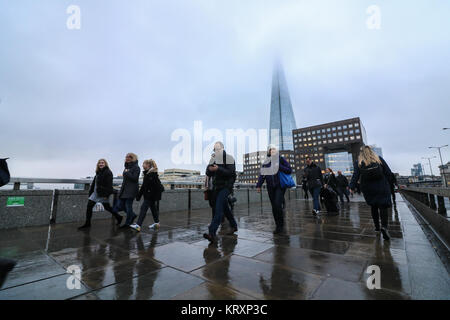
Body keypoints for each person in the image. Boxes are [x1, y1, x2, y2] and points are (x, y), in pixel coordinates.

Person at [350, 146, 393, 241]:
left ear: (361, 153)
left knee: (374, 206)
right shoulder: (378, 159)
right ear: (371, 151)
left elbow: (355, 176)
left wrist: (351, 187)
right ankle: (384, 227)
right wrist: (389, 184)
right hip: (382, 186)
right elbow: (388, 173)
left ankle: (377, 227)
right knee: (383, 206)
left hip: (368, 188)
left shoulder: (359, 162)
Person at [203, 142, 238, 243]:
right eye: (215, 149)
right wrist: (210, 168)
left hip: (226, 187)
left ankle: (212, 233)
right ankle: (234, 226)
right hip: (217, 187)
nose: (216, 151)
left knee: (218, 209)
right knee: (225, 208)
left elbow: (231, 172)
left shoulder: (229, 158)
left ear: (223, 148)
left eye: (218, 149)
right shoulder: (213, 158)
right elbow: (207, 172)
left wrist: (218, 169)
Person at [256, 145, 292, 234]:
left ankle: (281, 225)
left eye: (274, 149)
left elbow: (289, 170)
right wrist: (258, 185)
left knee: (277, 204)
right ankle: (278, 226)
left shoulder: (281, 159)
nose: (272, 151)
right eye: (270, 149)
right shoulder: (266, 162)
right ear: (268, 152)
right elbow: (262, 175)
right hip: (270, 187)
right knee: (274, 207)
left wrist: (279, 166)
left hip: (280, 186)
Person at [78, 159, 122, 229]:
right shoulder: (98, 172)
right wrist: (91, 192)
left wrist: (106, 195)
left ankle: (119, 217)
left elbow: (109, 185)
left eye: (102, 163)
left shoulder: (108, 172)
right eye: (99, 163)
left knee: (107, 207)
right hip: (95, 193)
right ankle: (87, 223)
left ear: (105, 164)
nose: (101, 164)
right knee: (89, 206)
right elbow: (94, 183)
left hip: (103, 194)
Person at [130, 159, 162, 232]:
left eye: (143, 164)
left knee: (143, 208)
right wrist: (139, 195)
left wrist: (150, 194)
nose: (142, 165)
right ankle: (157, 223)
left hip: (150, 196)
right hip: (150, 195)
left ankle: (138, 225)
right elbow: (144, 187)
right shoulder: (148, 174)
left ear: (148, 165)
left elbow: (156, 186)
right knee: (153, 209)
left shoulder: (152, 174)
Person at [113, 153, 140, 228]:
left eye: (129, 157)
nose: (127, 158)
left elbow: (135, 178)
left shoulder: (136, 167)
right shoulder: (126, 167)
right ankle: (133, 215)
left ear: (133, 158)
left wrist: (127, 173)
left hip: (131, 190)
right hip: (124, 190)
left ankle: (128, 223)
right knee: (120, 205)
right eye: (126, 157)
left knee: (128, 207)